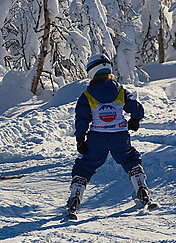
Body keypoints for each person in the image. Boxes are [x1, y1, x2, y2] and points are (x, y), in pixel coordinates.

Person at [66, 54, 154, 218]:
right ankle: (141, 188)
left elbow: (82, 119)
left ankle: (75, 197)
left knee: (86, 165)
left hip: (97, 138)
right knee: (130, 159)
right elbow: (136, 108)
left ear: (92, 73)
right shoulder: (120, 91)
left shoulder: (88, 95)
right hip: (119, 136)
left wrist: (80, 139)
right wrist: (135, 119)